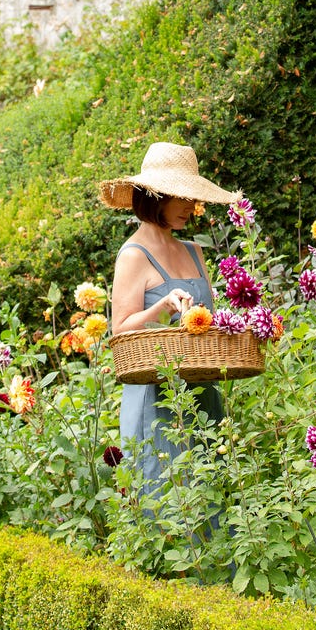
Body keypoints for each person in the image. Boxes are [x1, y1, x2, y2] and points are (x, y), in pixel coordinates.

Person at [99, 141, 241, 498]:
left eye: (191, 198)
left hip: (203, 397)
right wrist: (162, 307)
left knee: (214, 501)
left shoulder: (195, 251)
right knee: (171, 506)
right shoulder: (133, 255)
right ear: (155, 196)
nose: (190, 207)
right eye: (179, 197)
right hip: (158, 401)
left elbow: (208, 319)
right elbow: (121, 330)